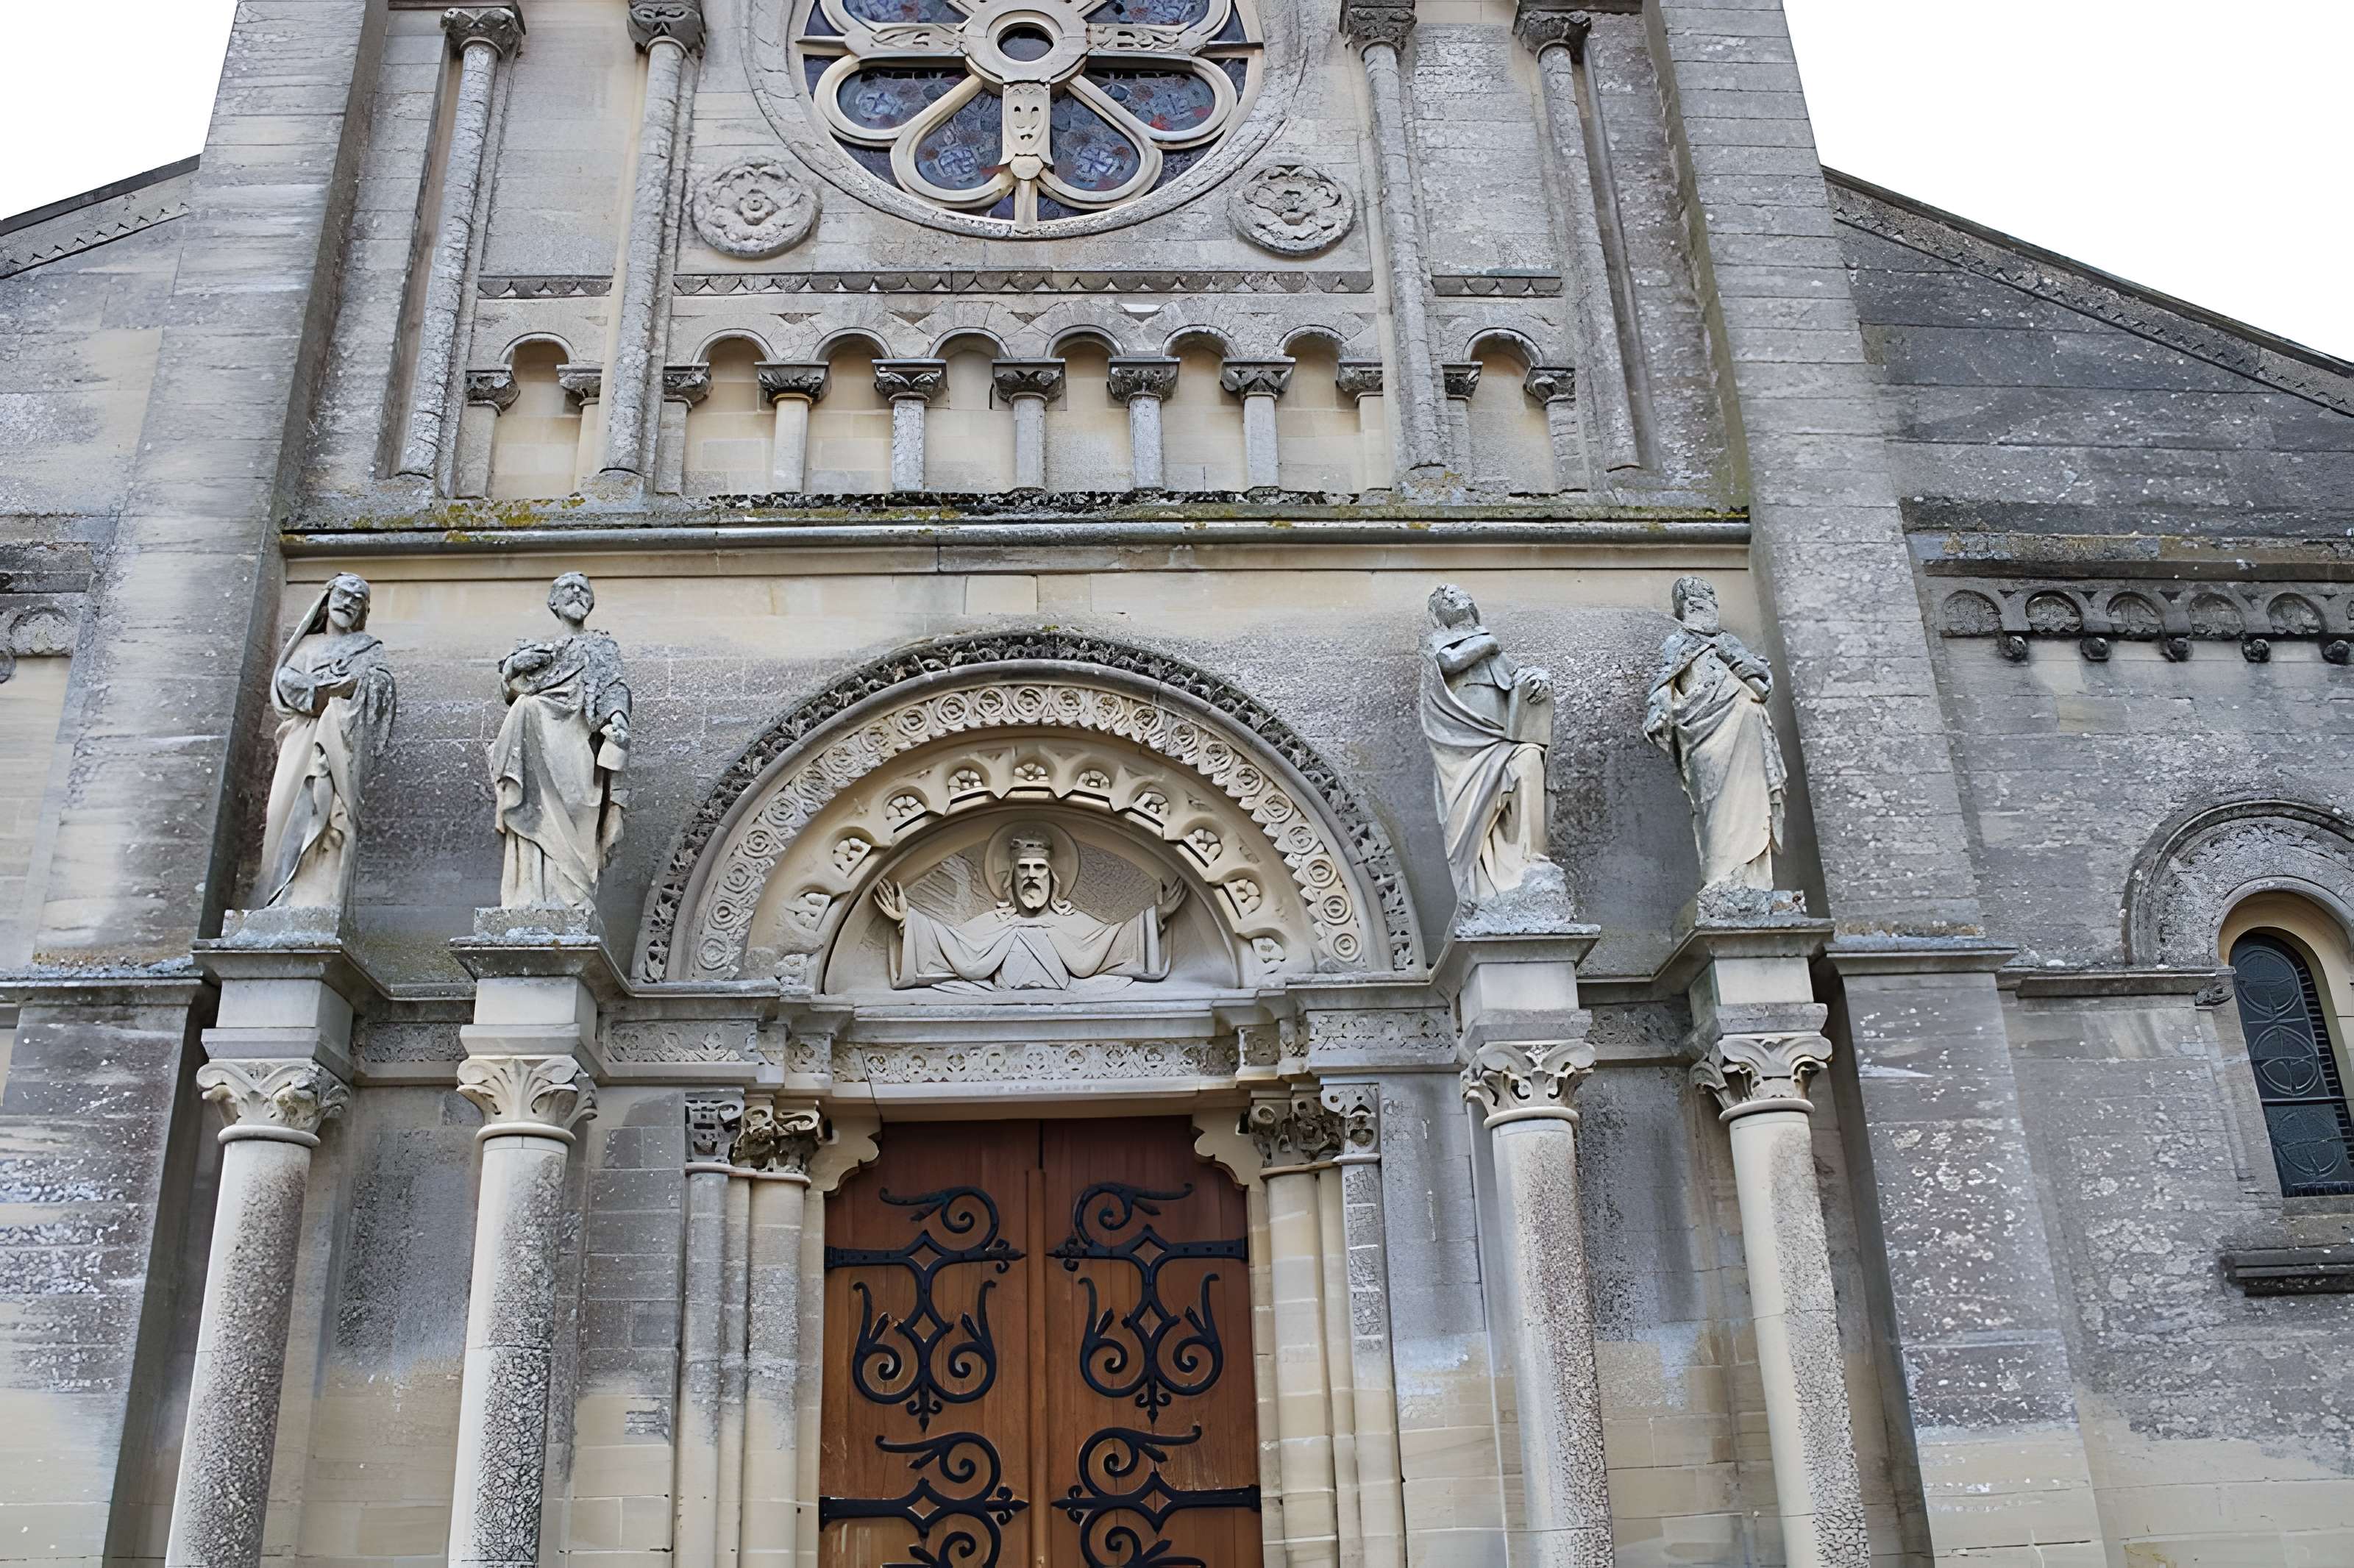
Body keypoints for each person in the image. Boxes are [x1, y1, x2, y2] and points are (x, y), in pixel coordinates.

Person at [870, 827, 1185, 992]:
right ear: (1011, 877)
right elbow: (954, 946)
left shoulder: (1075, 924)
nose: (1032, 875)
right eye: (1024, 868)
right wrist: (906, 923)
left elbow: (1114, 942)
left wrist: (1156, 916)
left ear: (1052, 876)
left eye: (1039, 868)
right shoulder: (991, 923)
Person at [490, 572, 631, 908]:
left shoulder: (601, 646)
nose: (577, 594)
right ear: (553, 603)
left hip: (578, 740)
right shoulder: (538, 650)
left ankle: (575, 898)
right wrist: (512, 667)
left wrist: (619, 720)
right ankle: (531, 895)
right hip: (537, 741)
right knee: (527, 708)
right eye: (568, 589)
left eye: (583, 590)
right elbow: (513, 692)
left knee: (581, 806)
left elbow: (615, 686)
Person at [257, 573, 397, 910]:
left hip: (339, 738)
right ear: (327, 598)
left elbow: (382, 688)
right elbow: (286, 683)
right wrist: (325, 689)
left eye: (357, 599)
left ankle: (316, 894)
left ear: (363, 611)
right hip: (302, 737)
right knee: (283, 812)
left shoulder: (369, 648)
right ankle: (278, 896)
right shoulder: (305, 647)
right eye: (344, 594)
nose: (348, 602)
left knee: (329, 809)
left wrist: (353, 689)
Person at [1643, 575, 1786, 892]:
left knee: (1750, 797)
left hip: (1747, 728)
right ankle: (1721, 878)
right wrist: (1660, 712)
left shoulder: (1729, 643)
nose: (1701, 605)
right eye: (1693, 601)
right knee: (1713, 803)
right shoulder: (1677, 643)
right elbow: (1664, 686)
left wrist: (1747, 669)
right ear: (1682, 610)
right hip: (1703, 732)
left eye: (1707, 599)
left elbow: (1761, 681)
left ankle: (1750, 880)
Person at [1419, 583, 1554, 904]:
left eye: (1459, 592)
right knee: (1467, 820)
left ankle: (1529, 861)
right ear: (1439, 614)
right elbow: (1448, 663)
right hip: (1464, 746)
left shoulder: (1492, 649)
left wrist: (1537, 679)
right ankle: (1481, 887)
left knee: (1531, 759)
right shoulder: (1438, 640)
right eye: (1446, 597)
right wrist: (1486, 643)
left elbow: (1516, 678)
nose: (1456, 596)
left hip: (1503, 738)